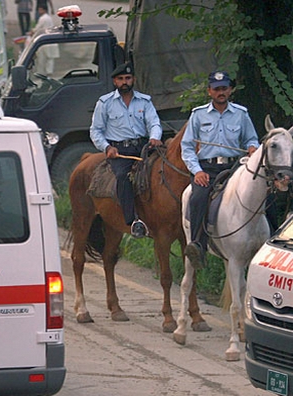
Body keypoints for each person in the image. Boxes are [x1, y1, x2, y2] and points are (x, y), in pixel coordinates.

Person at [181, 70, 259, 270]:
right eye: (216, 89)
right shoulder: (198, 115)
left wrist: (252, 147)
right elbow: (187, 146)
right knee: (197, 198)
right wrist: (197, 171)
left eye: (224, 88)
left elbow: (251, 138)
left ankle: (270, 240)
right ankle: (198, 245)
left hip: (235, 166)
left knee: (261, 193)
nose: (220, 92)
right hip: (207, 168)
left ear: (230, 90)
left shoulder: (241, 114)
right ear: (209, 91)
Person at [90, 62, 163, 238]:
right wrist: (107, 147)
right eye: (121, 79)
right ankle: (133, 221)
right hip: (120, 151)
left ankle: (165, 216)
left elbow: (154, 122)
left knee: (163, 170)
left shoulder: (145, 101)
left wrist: (155, 136)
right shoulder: (105, 102)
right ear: (115, 81)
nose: (125, 82)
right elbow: (95, 130)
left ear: (133, 80)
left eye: (128, 78)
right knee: (123, 177)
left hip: (144, 147)